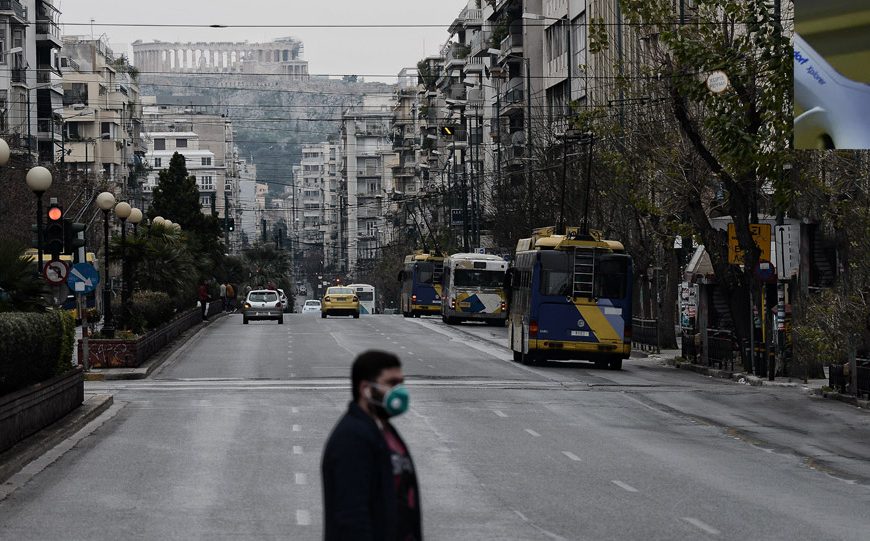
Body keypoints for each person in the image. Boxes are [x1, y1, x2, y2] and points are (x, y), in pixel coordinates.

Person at [322, 351, 421, 541]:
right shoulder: (351, 438)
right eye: (392, 384)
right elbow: (351, 517)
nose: (401, 391)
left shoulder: (384, 430)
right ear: (366, 389)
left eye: (402, 383)